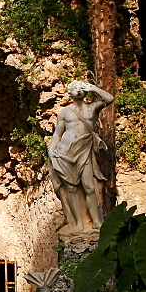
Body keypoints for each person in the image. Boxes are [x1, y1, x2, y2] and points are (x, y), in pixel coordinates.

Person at [48, 80, 114, 234]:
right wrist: (51, 151)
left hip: (84, 151)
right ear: (69, 93)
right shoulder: (65, 112)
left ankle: (96, 221)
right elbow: (57, 134)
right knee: (71, 188)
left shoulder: (92, 108)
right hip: (65, 152)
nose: (78, 90)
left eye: (81, 87)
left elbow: (109, 99)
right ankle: (78, 223)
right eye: (74, 88)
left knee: (89, 187)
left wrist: (94, 89)